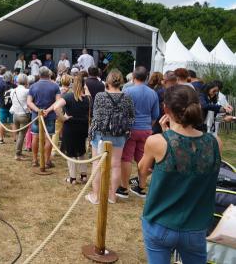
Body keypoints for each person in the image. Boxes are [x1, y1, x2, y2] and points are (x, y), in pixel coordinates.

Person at [138, 85, 222, 264]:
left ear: (166, 109)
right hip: (195, 227)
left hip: (160, 223)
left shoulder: (157, 142)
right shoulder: (214, 143)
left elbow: (142, 171)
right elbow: (189, 159)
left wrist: (143, 181)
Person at [86, 70, 135, 204]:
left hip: (100, 135)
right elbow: (131, 118)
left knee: (96, 164)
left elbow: (95, 116)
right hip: (119, 134)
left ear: (107, 81)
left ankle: (96, 196)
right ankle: (112, 196)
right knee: (115, 165)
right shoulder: (127, 97)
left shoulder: (100, 96)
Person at [119, 66, 159, 199]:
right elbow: (155, 115)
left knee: (126, 158)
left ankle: (124, 188)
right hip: (146, 129)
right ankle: (141, 187)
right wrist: (148, 126)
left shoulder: (128, 91)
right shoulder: (153, 93)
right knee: (143, 158)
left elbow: (122, 112)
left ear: (133, 77)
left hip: (130, 129)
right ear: (146, 78)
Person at [45, 74, 91, 184]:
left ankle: (72, 178)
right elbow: (87, 95)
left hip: (70, 126)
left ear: (72, 85)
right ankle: (84, 176)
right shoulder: (88, 98)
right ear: (84, 85)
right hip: (83, 126)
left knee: (71, 153)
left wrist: (63, 118)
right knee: (81, 151)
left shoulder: (68, 96)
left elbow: (56, 107)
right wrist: (85, 87)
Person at [27, 66, 61, 168]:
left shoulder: (33, 86)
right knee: (48, 138)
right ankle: (47, 161)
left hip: (36, 115)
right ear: (49, 74)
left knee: (35, 137)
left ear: (39, 74)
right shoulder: (55, 86)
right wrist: (48, 110)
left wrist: (38, 111)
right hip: (50, 115)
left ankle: (34, 160)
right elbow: (58, 101)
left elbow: (29, 102)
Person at [9, 73, 30, 160]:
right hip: (23, 115)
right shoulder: (27, 91)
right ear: (25, 81)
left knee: (19, 135)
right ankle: (18, 154)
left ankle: (19, 151)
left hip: (15, 115)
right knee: (21, 135)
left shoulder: (12, 90)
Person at [51, 74, 72, 156]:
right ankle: (66, 149)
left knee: (56, 133)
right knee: (68, 132)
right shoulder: (72, 91)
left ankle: (53, 151)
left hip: (59, 113)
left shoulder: (58, 90)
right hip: (68, 114)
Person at [0, 68, 11, 144]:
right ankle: (14, 139)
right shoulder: (12, 85)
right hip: (9, 105)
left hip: (0, 102)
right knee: (11, 122)